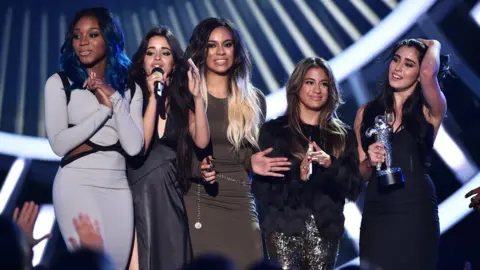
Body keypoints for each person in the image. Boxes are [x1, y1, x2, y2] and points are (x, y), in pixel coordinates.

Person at [183, 17, 290, 268]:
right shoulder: (189, 95)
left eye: (227, 44)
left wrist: (253, 163)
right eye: (212, 45)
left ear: (236, 51)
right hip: (199, 200)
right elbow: (177, 152)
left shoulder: (254, 100)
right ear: (202, 50)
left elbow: (245, 156)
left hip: (240, 200)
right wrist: (198, 169)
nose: (220, 52)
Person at [44, 7, 143, 269]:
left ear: (108, 39)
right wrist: (102, 112)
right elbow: (58, 144)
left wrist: (114, 98)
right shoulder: (60, 83)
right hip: (77, 183)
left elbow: (133, 147)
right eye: (77, 36)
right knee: (91, 265)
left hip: (118, 187)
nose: (83, 42)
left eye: (93, 34)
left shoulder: (130, 88)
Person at [252, 57, 361, 269]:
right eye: (310, 82)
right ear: (297, 86)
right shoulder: (273, 132)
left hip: (325, 233)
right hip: (283, 232)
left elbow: (354, 189)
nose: (317, 90)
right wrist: (299, 179)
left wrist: (330, 165)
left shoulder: (342, 136)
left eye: (324, 83)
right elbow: (262, 191)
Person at [355, 38, 449, 270]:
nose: (397, 68)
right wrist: (369, 159)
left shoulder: (430, 110)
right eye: (396, 60)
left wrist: (434, 44)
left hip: (416, 209)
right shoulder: (365, 113)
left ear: (418, 74)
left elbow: (429, 72)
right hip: (377, 212)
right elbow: (360, 175)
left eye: (408, 64)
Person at [126, 26, 209, 270]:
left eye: (165, 53)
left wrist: (197, 97)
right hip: (138, 195)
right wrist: (153, 97)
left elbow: (202, 142)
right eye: (151, 53)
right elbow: (140, 146)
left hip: (171, 197)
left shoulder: (183, 101)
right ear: (143, 61)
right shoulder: (132, 96)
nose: (158, 58)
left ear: (174, 61)